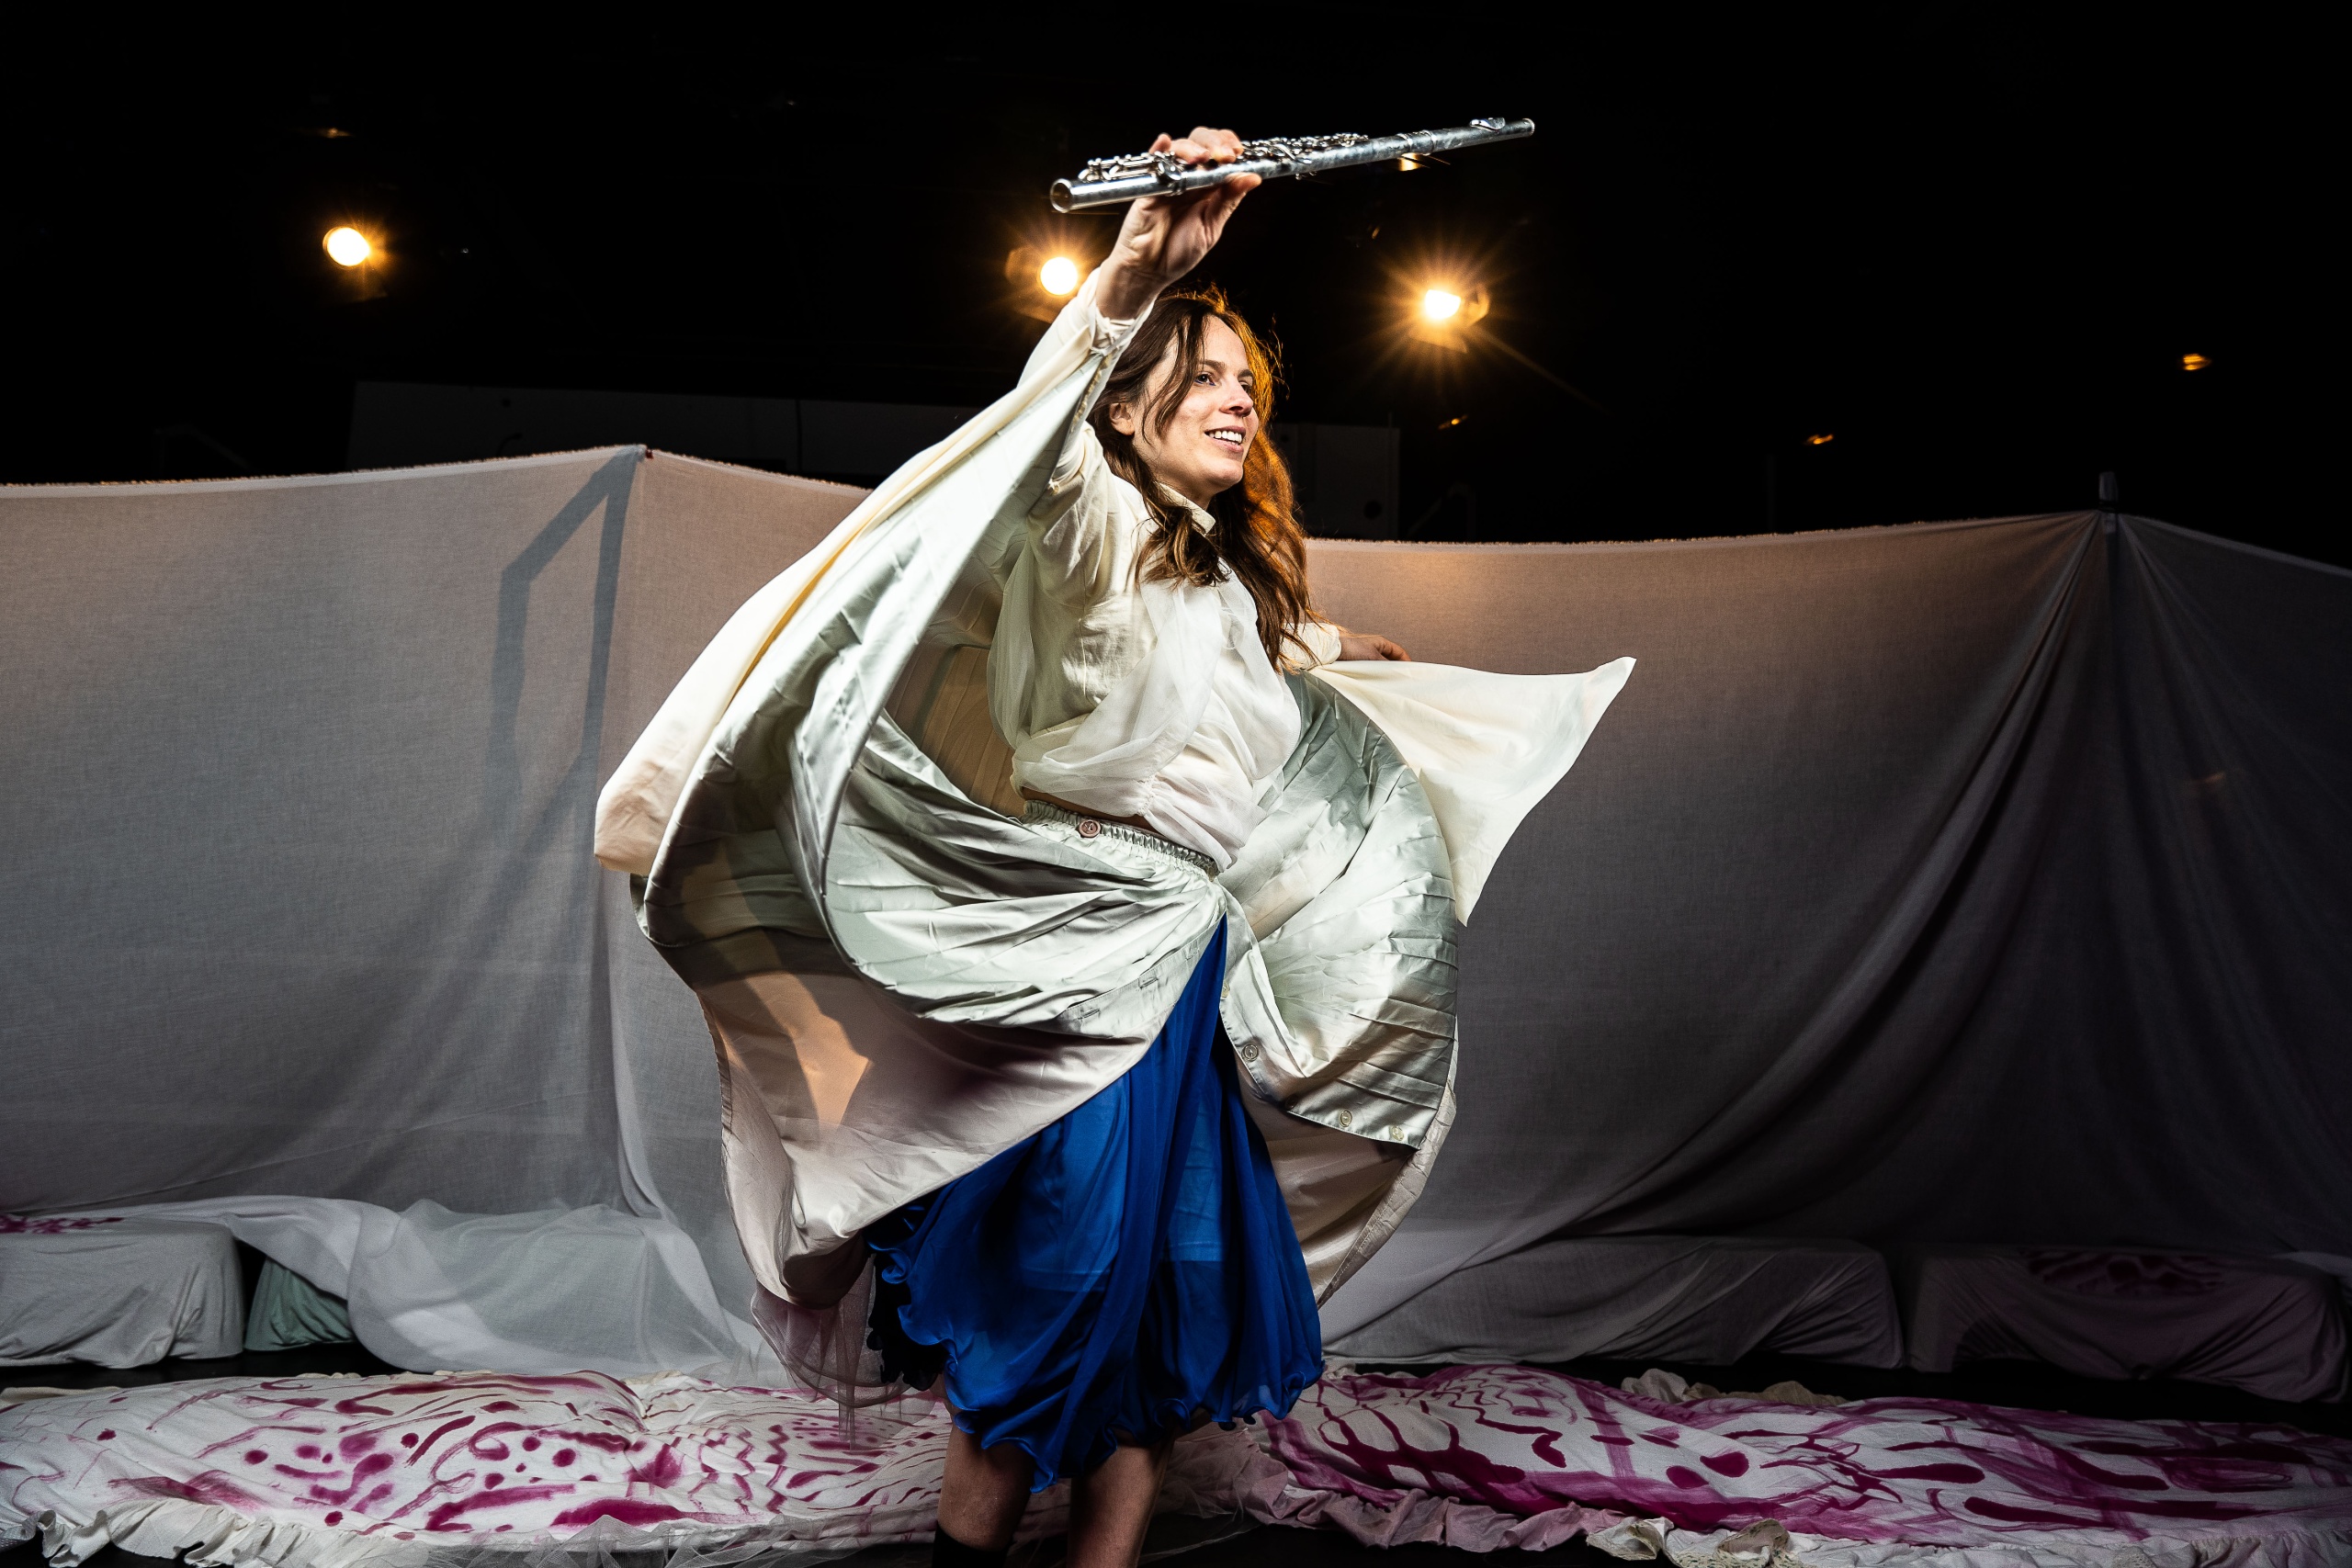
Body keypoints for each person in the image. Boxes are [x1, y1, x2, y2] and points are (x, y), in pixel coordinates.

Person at [596, 123, 1628, 1568]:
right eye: (1201, 381)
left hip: (1183, 969)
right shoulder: (1085, 523)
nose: (1235, 402)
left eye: (1248, 389)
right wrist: (1137, 273)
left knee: (1165, 1300)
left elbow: (1234, 663)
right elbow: (1042, 438)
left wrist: (1330, 650)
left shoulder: (1224, 587)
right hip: (1075, 961)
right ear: (1132, 405)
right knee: (1057, 1285)